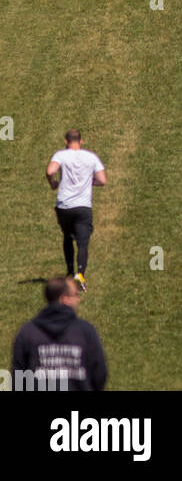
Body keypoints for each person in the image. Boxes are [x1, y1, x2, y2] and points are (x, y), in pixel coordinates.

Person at [11, 278, 107, 391]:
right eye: (75, 294)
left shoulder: (28, 332)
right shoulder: (85, 331)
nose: (78, 299)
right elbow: (99, 373)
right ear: (64, 299)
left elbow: (17, 378)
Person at [46, 131, 106, 292]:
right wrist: (90, 181)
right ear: (81, 141)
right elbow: (102, 180)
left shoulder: (61, 155)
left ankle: (69, 272)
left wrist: (53, 183)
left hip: (64, 205)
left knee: (67, 236)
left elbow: (51, 171)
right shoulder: (91, 157)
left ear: (66, 141)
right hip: (83, 207)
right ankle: (80, 274)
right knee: (83, 242)